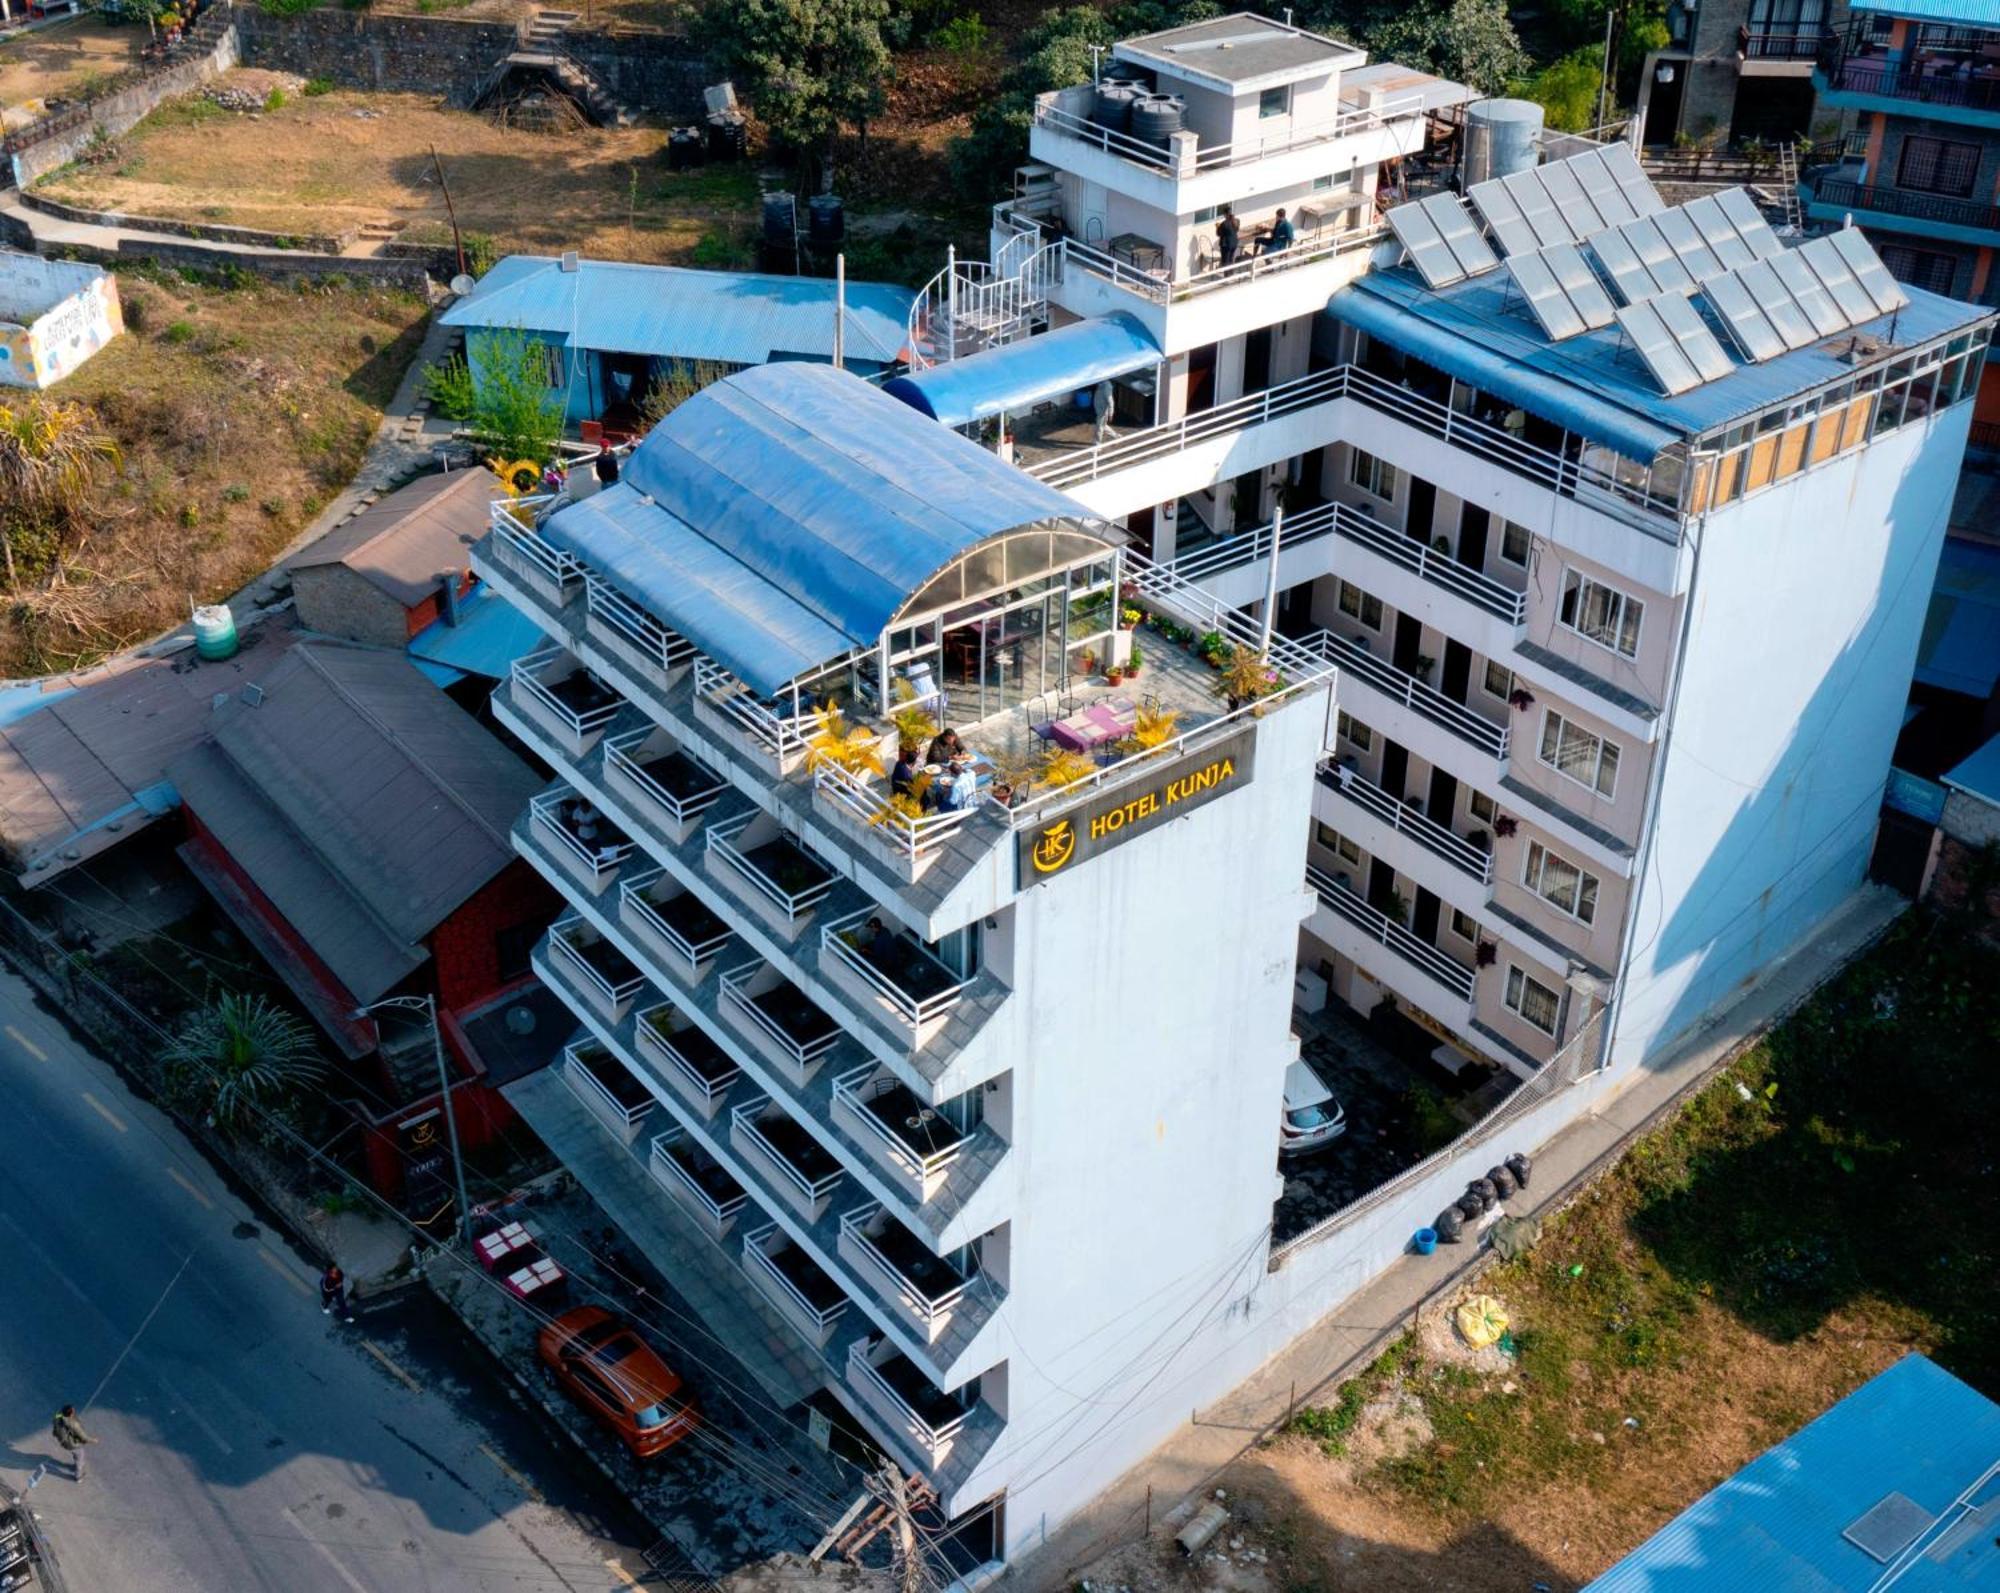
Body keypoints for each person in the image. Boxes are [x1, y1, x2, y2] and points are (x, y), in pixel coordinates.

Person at [52, 1406, 93, 1480]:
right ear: (70, 1414)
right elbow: (84, 1437)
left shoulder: (57, 1417)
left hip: (63, 1442)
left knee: (75, 1454)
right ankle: (78, 1477)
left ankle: (75, 1466)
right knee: (79, 1459)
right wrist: (93, 1440)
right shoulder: (73, 1424)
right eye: (73, 1411)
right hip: (72, 1445)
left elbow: (58, 1416)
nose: (74, 1412)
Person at [1216, 204, 1241, 268]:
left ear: (1225, 214)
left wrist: (1217, 227)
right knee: (1231, 259)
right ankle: (1231, 274)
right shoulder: (1237, 221)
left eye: (1223, 214)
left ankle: (1227, 276)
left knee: (1225, 261)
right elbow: (1236, 230)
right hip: (1234, 243)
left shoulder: (1224, 224)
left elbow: (1218, 234)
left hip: (1226, 245)